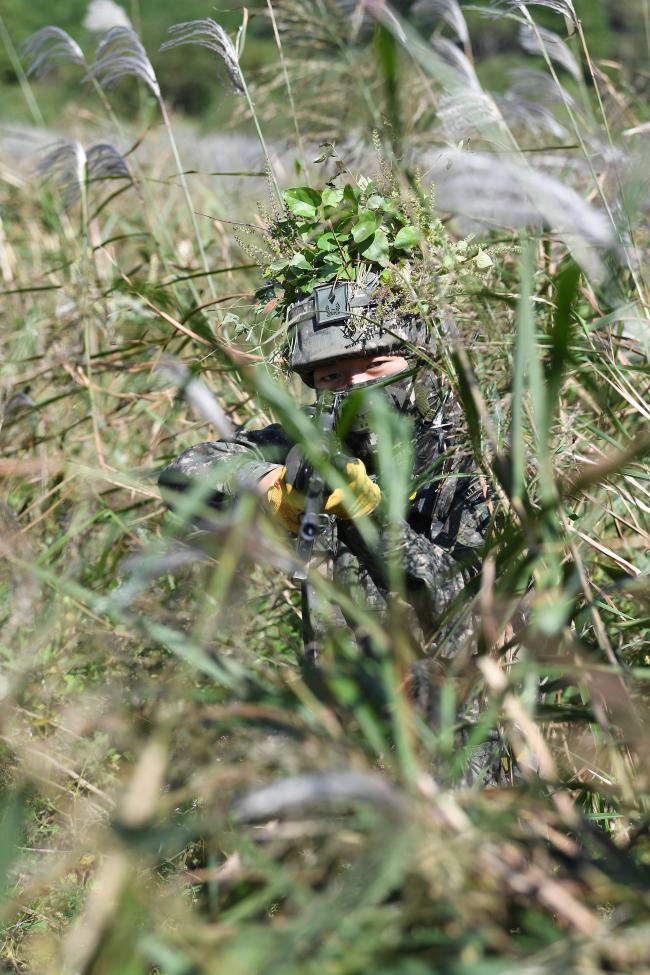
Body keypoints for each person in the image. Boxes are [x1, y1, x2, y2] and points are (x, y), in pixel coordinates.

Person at [158, 269, 508, 786]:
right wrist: (267, 482)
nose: (356, 387)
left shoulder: (470, 455)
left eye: (376, 365)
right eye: (332, 377)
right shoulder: (317, 439)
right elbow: (183, 473)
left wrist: (369, 518)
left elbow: (455, 606)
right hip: (348, 717)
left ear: (418, 359)